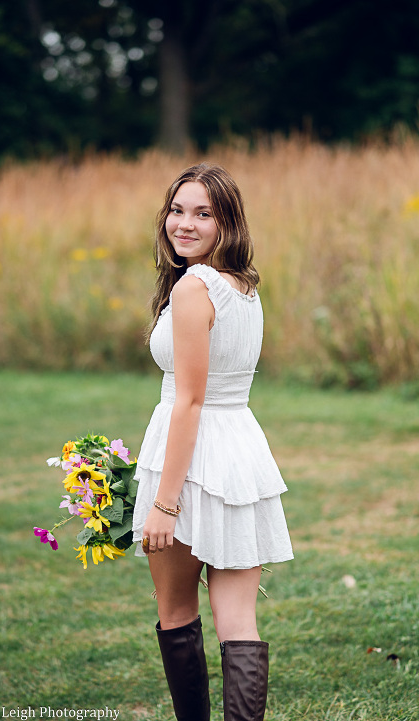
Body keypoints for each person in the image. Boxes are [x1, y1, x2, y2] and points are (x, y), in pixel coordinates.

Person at [132, 163, 293, 721]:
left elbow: (190, 402)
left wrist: (163, 503)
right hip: (240, 452)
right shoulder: (243, 287)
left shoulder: (195, 287)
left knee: (176, 609)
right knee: (238, 620)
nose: (185, 223)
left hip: (193, 457)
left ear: (228, 222)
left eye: (203, 213)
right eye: (178, 210)